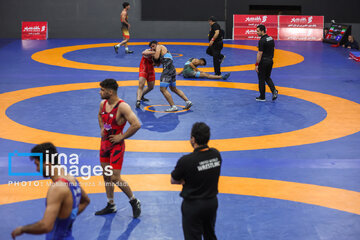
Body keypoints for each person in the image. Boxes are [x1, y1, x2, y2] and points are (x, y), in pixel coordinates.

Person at [11, 142, 90, 240]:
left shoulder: (57, 188)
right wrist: (68, 217)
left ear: (47, 164)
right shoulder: (71, 179)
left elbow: (46, 226)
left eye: (37, 165)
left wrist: (22, 229)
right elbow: (86, 201)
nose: (37, 169)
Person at [96, 79, 141, 217]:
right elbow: (99, 115)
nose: (100, 92)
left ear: (110, 92)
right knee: (106, 176)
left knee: (115, 177)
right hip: (104, 144)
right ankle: (111, 204)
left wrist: (121, 137)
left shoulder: (123, 106)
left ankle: (134, 200)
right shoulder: (103, 104)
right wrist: (102, 127)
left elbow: (136, 124)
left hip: (116, 146)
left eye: (102, 90)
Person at [171, 122, 222, 240]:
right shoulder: (216, 155)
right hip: (211, 202)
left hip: (193, 205)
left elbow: (173, 180)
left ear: (193, 139)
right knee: (210, 235)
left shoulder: (186, 161)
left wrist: (185, 180)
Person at [150, 40, 192, 112]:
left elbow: (156, 57)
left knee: (163, 89)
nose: (153, 48)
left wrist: (151, 53)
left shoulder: (159, 46)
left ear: (157, 44)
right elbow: (157, 64)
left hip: (167, 70)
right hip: (172, 69)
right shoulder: (162, 52)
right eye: (151, 47)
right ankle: (188, 101)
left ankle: (173, 106)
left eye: (153, 46)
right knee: (173, 89)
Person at [255, 24, 278, 101]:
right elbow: (273, 48)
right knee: (267, 77)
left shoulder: (261, 40)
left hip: (263, 62)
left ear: (262, 31)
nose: (257, 33)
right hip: (270, 61)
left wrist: (257, 64)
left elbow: (260, 53)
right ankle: (274, 90)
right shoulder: (271, 38)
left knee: (261, 79)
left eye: (258, 31)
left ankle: (262, 97)